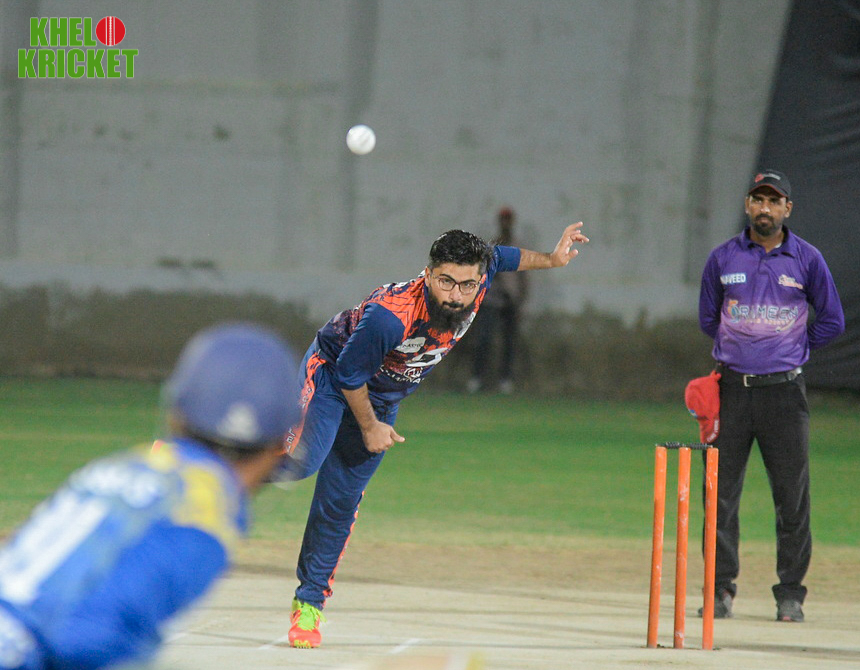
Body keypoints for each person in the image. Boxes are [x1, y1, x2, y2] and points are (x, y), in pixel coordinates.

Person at [280, 222, 588, 648]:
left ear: (479, 280)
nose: (455, 296)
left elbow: (504, 257)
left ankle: (309, 606)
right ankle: (210, 459)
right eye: (445, 282)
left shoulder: (480, 276)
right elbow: (349, 374)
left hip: (381, 398)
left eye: (467, 285)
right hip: (334, 377)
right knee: (301, 461)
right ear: (428, 274)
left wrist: (552, 260)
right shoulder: (391, 317)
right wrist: (370, 427)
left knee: (340, 502)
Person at [0, 323, 302, 670]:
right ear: (281, 441)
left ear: (176, 414)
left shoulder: (129, 464)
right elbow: (87, 636)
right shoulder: (205, 513)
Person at [697, 170, 844, 623]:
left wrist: (792, 347)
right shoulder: (723, 257)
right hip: (731, 393)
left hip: (784, 393)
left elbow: (832, 320)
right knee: (718, 496)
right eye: (758, 200)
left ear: (787, 209)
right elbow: (708, 319)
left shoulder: (807, 258)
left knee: (791, 498)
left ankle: (790, 594)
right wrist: (744, 346)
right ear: (747, 205)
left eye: (774, 201)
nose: (765, 208)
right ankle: (720, 590)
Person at [466, 206, 529, 394]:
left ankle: (505, 379)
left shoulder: (518, 248)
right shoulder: (491, 248)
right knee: (484, 340)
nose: (505, 223)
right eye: (503, 220)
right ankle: (477, 377)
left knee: (509, 342)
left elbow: (524, 278)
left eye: (508, 220)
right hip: (491, 300)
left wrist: (520, 301)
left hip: (510, 301)